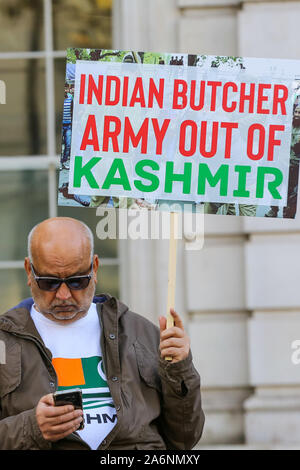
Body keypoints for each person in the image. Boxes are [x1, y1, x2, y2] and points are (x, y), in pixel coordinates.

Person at [0, 217, 204, 450]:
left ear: (94, 268)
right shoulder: (4, 342)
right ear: (29, 270)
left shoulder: (143, 334)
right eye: (49, 282)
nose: (64, 295)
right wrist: (32, 428)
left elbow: (185, 438)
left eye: (78, 281)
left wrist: (180, 369)